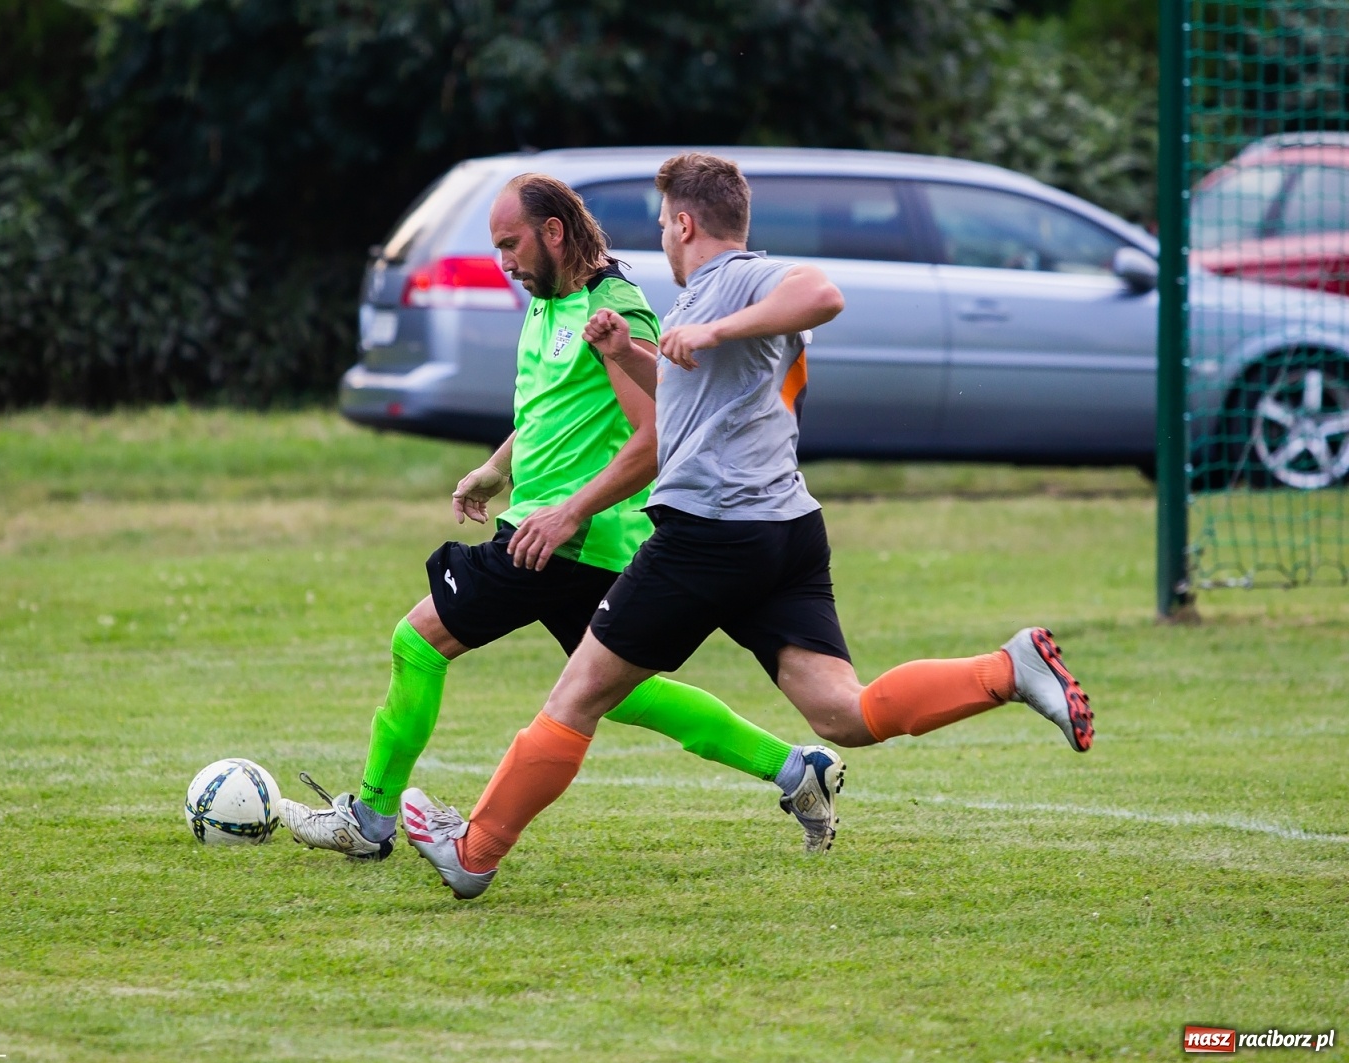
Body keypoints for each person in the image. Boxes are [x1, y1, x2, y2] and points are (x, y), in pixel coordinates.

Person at [402, 153, 1094, 899]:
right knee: (844, 712)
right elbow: (689, 396)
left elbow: (821, 293)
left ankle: (474, 851)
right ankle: (1009, 669)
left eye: (665, 223)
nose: (662, 239)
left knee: (575, 698)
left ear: (685, 222)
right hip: (784, 531)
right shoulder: (693, 303)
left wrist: (715, 327)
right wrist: (625, 352)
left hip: (709, 535)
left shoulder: (737, 280)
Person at [277, 173, 845, 861]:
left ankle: (369, 819)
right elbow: (553, 415)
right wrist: (497, 467)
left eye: (511, 244)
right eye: (496, 248)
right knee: (624, 693)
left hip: (561, 541)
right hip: (564, 538)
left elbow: (658, 435)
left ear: (554, 233)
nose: (504, 261)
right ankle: (796, 769)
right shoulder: (548, 303)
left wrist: (567, 512)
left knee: (418, 641)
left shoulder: (616, 311)